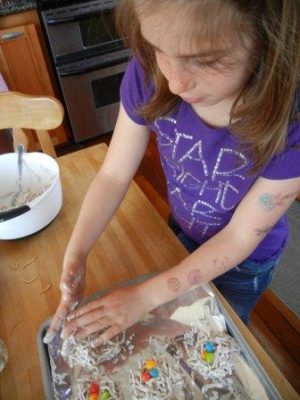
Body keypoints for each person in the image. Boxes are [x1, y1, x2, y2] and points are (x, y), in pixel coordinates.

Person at [44, 0, 300, 347]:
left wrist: (146, 297)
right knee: (170, 324)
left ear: (269, 44)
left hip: (244, 264)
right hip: (182, 227)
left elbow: (241, 236)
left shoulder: (291, 123)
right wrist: (78, 252)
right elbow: (114, 175)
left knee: (215, 336)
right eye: (158, 48)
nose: (175, 81)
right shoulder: (150, 72)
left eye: (205, 61)